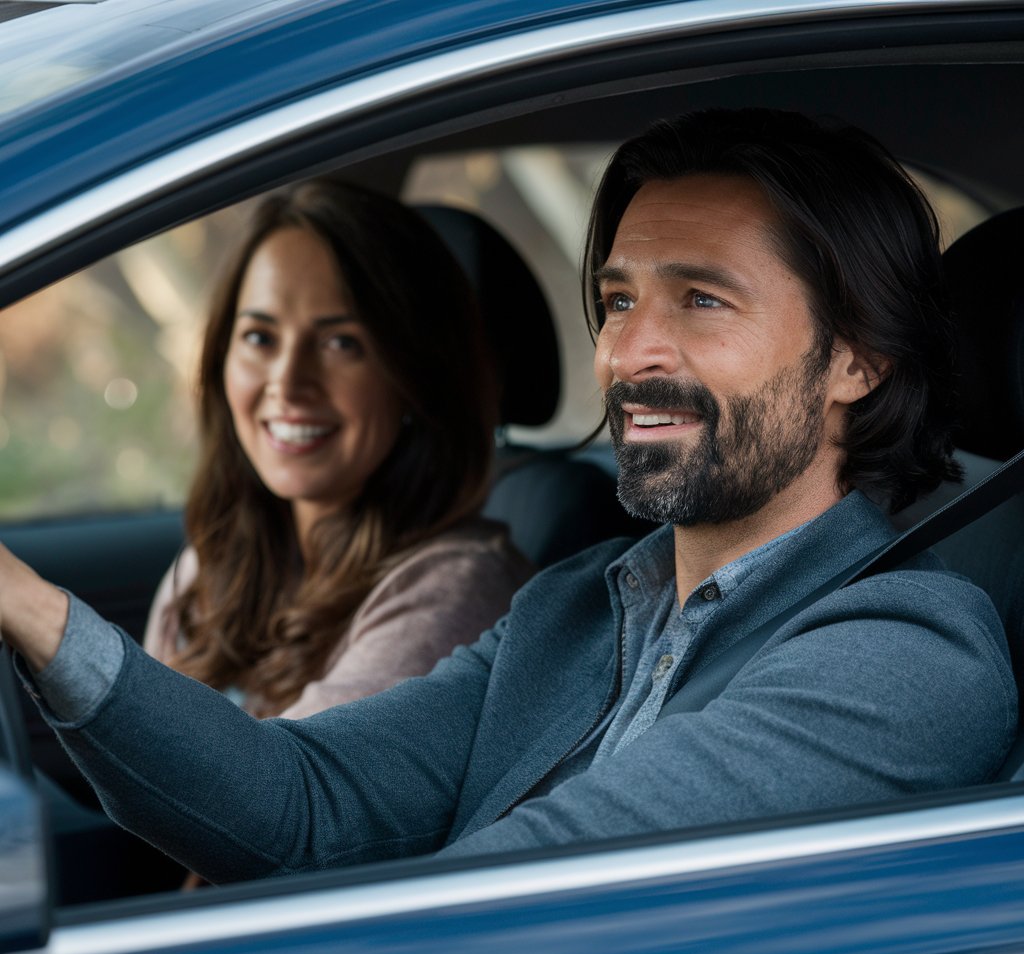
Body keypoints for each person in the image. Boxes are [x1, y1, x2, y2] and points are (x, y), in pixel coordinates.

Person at [0, 109, 1015, 883]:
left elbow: (502, 901)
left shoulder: (902, 656)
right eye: (619, 300)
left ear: (857, 362)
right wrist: (30, 610)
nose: (628, 352)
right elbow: (301, 801)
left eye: (701, 300)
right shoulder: (573, 609)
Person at [143, 178, 533, 718]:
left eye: (341, 343)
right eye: (260, 338)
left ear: (415, 377)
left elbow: (276, 799)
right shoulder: (210, 565)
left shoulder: (453, 590)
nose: (288, 382)